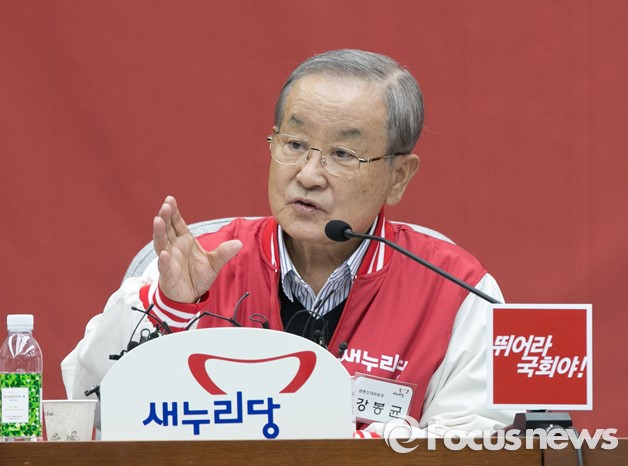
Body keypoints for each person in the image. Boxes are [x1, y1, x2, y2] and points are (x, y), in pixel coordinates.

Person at [62, 49, 514, 437]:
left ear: (398, 176)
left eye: (342, 154)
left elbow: (476, 440)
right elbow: (87, 409)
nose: (309, 175)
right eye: (295, 144)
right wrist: (169, 309)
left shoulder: (457, 291)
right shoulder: (198, 262)